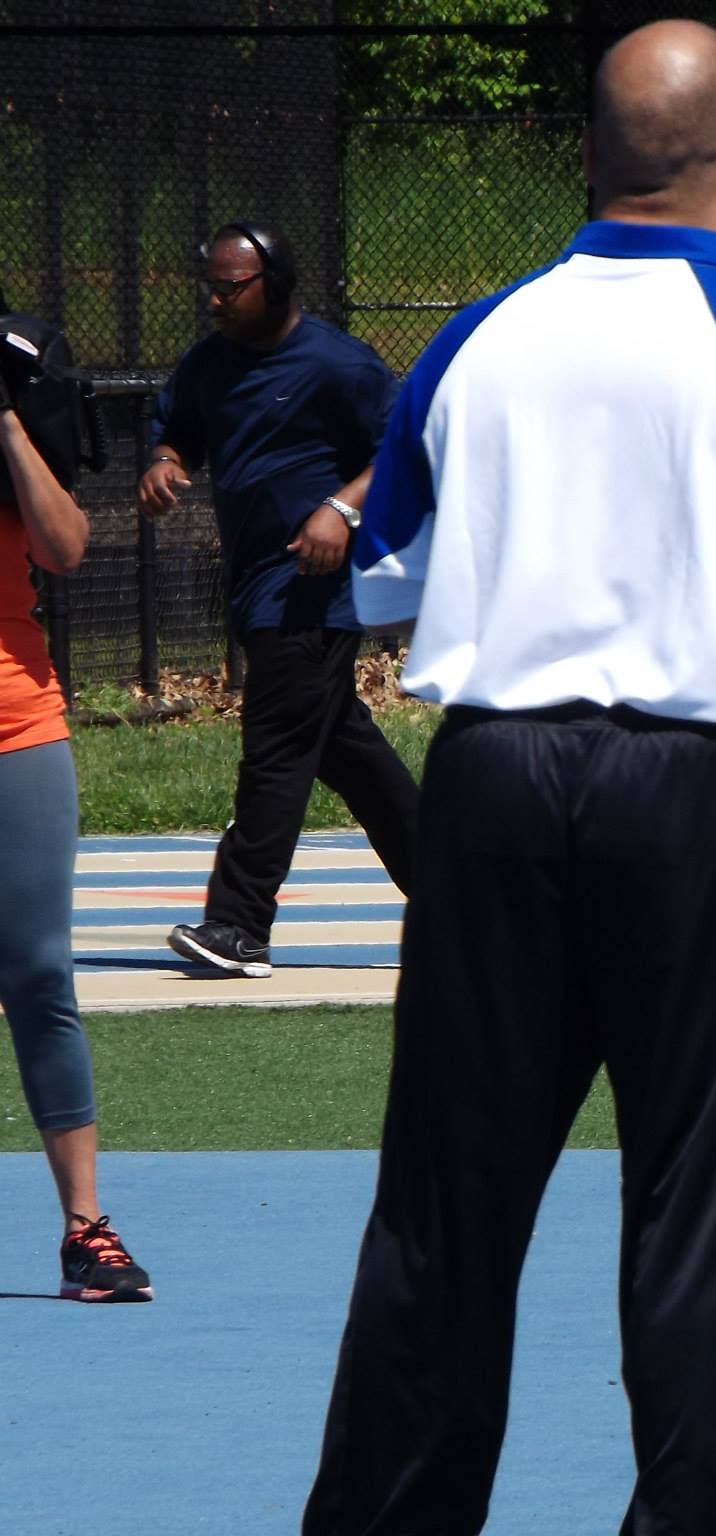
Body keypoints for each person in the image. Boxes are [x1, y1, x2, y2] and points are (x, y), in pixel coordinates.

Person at [301, 21, 716, 1535]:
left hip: (486, 783)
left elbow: (383, 579)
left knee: (445, 1210)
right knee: (701, 1216)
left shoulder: (472, 340)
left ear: (591, 158)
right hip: (695, 799)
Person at [138, 221, 418, 979]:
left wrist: (344, 509)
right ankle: (457, 892)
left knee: (275, 755)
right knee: (343, 750)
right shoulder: (209, 365)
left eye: (232, 288)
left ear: (277, 284)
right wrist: (163, 466)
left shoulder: (339, 365)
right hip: (259, 585)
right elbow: (175, 434)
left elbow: (404, 451)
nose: (217, 301)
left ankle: (238, 924)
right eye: (213, 287)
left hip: (312, 593)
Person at [1, 328, 152, 1301]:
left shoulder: (20, 400)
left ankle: (85, 1233)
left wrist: (4, 420)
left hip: (17, 722)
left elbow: (66, 546)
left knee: (42, 972)